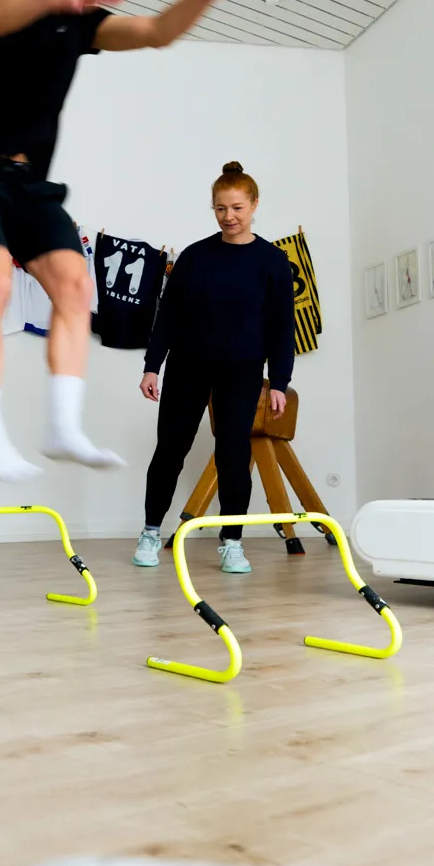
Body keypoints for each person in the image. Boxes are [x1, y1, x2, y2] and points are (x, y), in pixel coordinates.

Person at [0, 0, 255, 481]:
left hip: (32, 187)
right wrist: (51, 3)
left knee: (75, 287)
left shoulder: (77, 19)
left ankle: (62, 427)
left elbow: (156, 33)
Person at [136, 162, 296, 575]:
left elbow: (281, 327)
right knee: (171, 448)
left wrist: (279, 382)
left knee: (232, 451)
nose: (229, 216)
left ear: (255, 204)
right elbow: (167, 316)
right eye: (221, 208)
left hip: (241, 369)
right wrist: (152, 366)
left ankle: (232, 542)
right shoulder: (195, 256)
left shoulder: (273, 261)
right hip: (188, 364)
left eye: (238, 207)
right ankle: (151, 532)